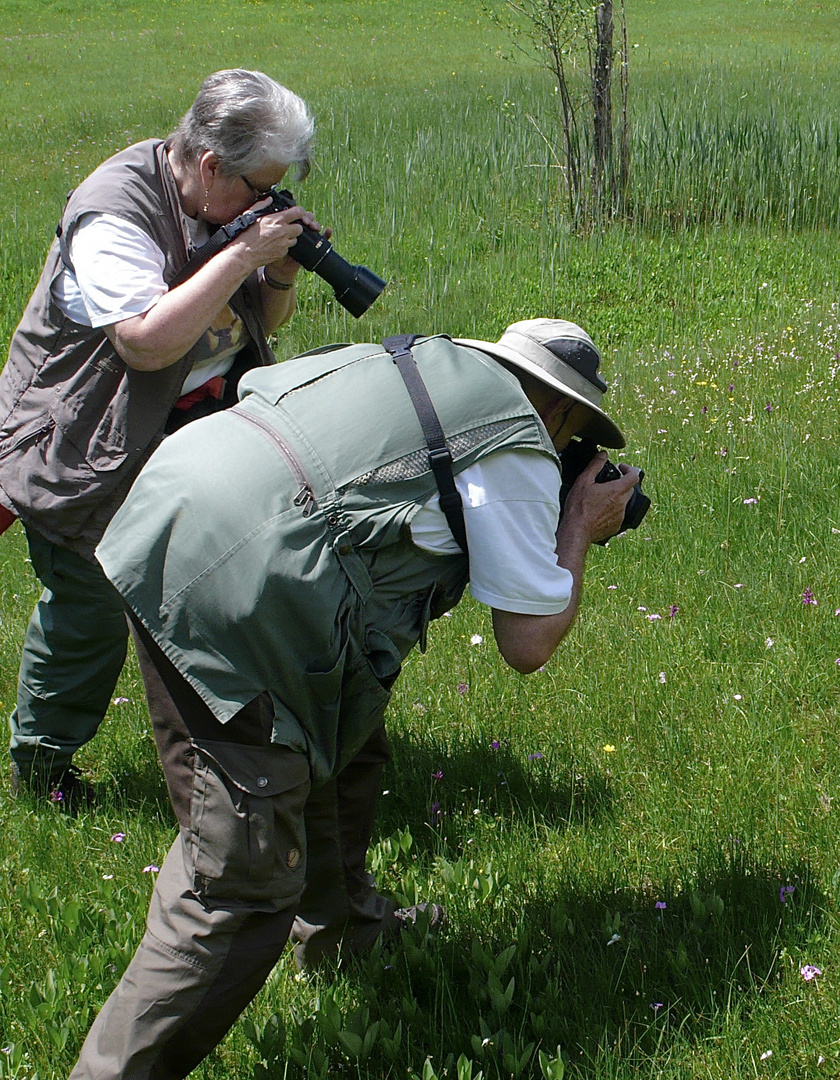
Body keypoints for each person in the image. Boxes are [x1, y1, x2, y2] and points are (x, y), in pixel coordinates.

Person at [67, 319, 641, 1079]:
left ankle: (344, 931)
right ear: (563, 411)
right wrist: (577, 525)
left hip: (175, 502)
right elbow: (527, 642)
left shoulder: (414, 366)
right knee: (236, 887)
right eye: (575, 437)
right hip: (247, 584)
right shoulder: (515, 443)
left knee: (344, 737)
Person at [0, 69, 325, 804]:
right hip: (84, 441)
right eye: (257, 187)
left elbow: (258, 326)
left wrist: (275, 272)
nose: (265, 202)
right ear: (211, 165)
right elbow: (145, 344)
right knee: (88, 609)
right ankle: (42, 767)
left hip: (182, 429)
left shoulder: (220, 201)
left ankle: (228, 746)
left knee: (214, 591)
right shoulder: (114, 213)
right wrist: (242, 254)